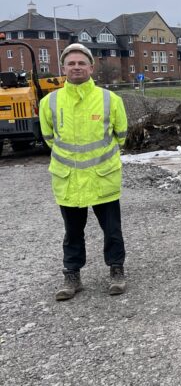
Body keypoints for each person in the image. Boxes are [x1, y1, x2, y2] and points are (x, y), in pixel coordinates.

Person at [38, 43, 128, 301]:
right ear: (63, 68)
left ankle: (116, 270)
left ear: (91, 67)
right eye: (71, 63)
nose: (76, 67)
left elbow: (121, 134)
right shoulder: (50, 102)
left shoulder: (110, 99)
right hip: (69, 180)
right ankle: (72, 275)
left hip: (103, 178)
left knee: (112, 230)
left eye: (81, 63)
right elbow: (49, 137)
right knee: (72, 232)